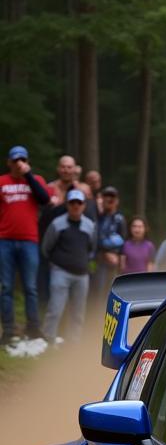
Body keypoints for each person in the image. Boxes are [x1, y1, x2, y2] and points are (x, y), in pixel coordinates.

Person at [0, 145, 51, 347]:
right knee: (6, 288)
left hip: (29, 240)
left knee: (30, 287)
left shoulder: (35, 180)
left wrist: (28, 175)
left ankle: (33, 328)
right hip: (5, 241)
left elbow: (45, 199)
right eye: (15, 160)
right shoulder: (2, 182)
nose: (18, 163)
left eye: (22, 160)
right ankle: (9, 331)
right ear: (9, 163)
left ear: (27, 161)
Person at [41, 188, 96, 345]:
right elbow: (46, 247)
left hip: (82, 274)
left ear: (84, 205)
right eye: (72, 202)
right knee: (55, 308)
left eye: (79, 203)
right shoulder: (57, 224)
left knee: (78, 312)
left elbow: (92, 247)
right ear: (67, 204)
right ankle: (48, 338)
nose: (76, 206)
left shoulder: (89, 225)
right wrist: (56, 262)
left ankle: (74, 343)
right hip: (60, 272)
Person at [93, 185, 126, 302]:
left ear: (117, 200)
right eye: (106, 196)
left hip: (113, 263)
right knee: (97, 291)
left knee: (111, 292)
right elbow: (94, 239)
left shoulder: (119, 219)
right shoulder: (97, 216)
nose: (109, 199)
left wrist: (120, 259)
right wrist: (105, 252)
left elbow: (123, 242)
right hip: (98, 261)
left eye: (112, 196)